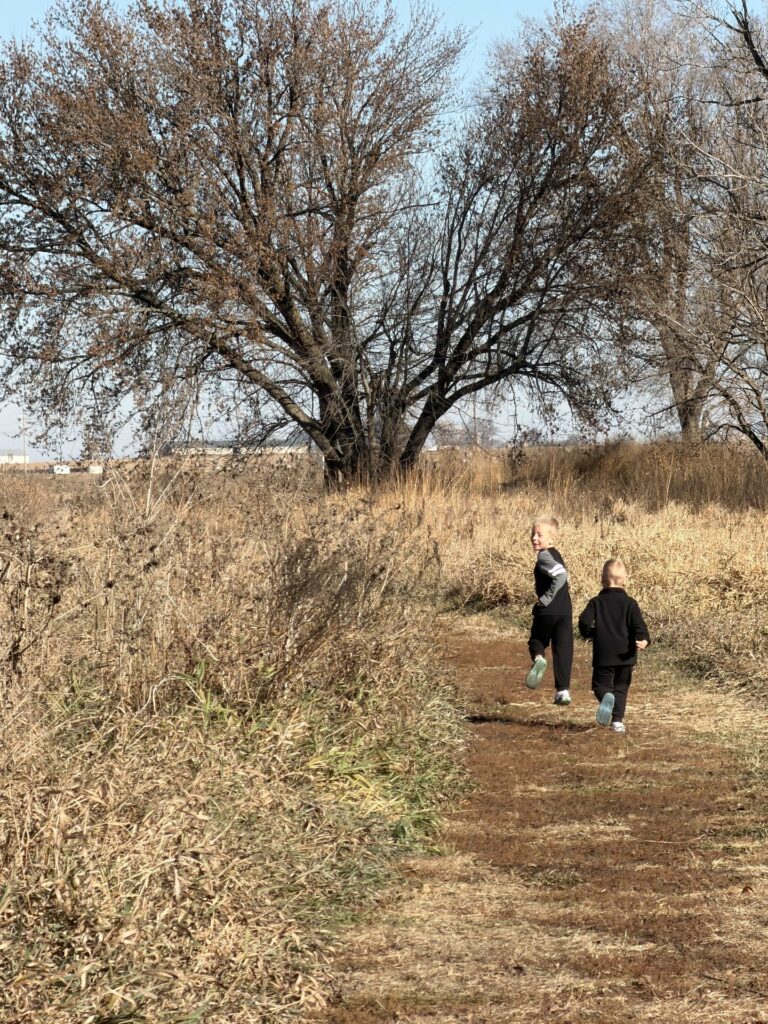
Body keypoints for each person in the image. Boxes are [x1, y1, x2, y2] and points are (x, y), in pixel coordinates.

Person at [577, 558, 650, 734]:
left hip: (604, 653)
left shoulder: (596, 602)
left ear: (602, 579)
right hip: (626, 653)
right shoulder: (630, 603)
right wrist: (644, 640)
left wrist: (591, 634)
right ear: (624, 579)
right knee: (621, 687)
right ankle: (617, 722)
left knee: (600, 686)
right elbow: (639, 625)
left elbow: (584, 622)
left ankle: (605, 699)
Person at [525, 516, 573, 705]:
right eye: (533, 534)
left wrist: (545, 599)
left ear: (551, 539)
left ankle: (539, 659)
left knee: (537, 641)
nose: (534, 538)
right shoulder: (556, 554)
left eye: (539, 535)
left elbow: (561, 576)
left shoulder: (544, 556)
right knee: (563, 651)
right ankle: (563, 691)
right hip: (564, 611)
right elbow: (564, 578)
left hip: (547, 611)